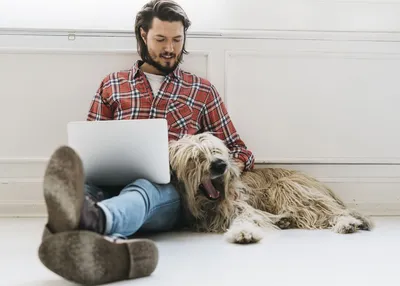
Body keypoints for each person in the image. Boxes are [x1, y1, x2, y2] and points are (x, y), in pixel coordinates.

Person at [38, 0, 255, 285]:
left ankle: (86, 226)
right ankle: (106, 249)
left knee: (145, 188)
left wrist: (225, 176)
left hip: (168, 192)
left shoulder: (201, 90)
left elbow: (240, 150)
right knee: (84, 189)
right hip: (108, 184)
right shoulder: (113, 85)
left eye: (177, 40)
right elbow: (89, 145)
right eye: (161, 39)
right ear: (143, 35)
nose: (170, 48)